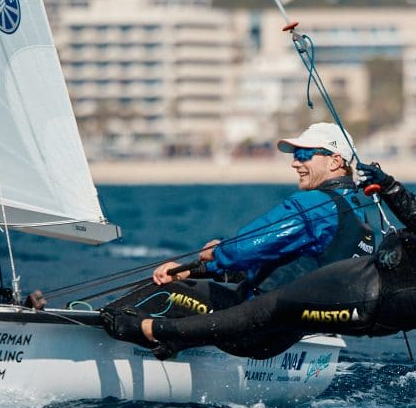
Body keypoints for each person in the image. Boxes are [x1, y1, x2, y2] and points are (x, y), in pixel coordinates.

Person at [102, 161, 416, 359]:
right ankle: (173, 337)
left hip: (383, 301)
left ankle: (153, 332)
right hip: (380, 271)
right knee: (274, 310)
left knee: (277, 309)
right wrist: (393, 189)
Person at [101, 122, 378, 357]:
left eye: (304, 154)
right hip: (284, 335)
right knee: (189, 284)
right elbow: (282, 262)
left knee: (160, 292)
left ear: (335, 161)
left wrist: (218, 252)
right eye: (295, 154)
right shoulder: (359, 218)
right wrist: (195, 269)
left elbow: (247, 248)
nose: (295, 162)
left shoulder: (315, 205)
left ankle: (95, 330)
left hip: (252, 327)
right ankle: (170, 342)